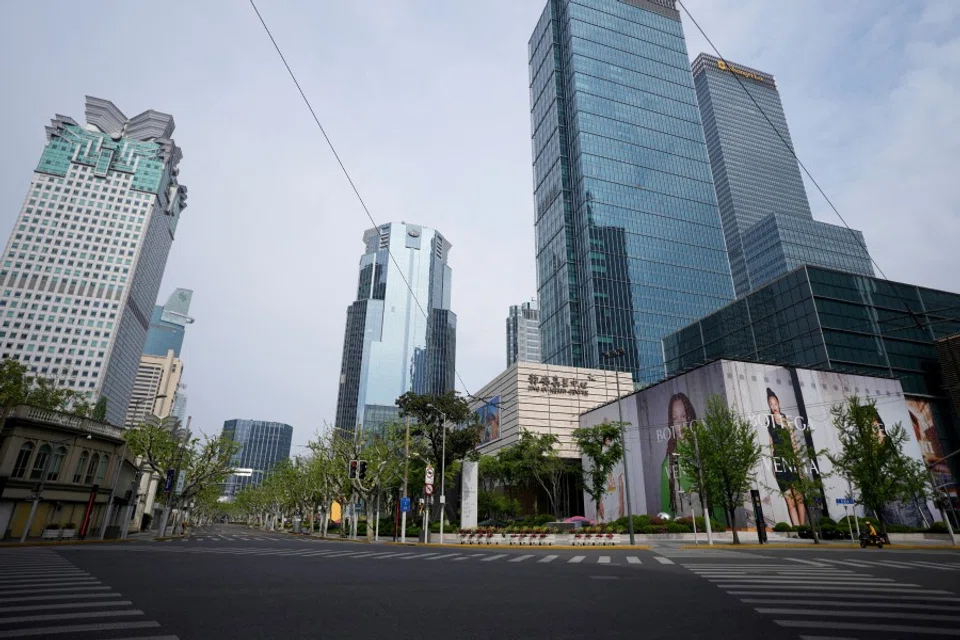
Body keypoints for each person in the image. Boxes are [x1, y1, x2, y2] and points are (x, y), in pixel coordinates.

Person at [766, 388, 807, 527]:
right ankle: (797, 529)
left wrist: (799, 465)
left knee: (799, 498)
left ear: (779, 403)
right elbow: (771, 444)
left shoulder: (787, 420)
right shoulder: (769, 421)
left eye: (775, 403)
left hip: (791, 460)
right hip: (779, 462)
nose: (773, 407)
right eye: (770, 404)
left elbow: (793, 442)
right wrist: (773, 466)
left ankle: (803, 527)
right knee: (789, 501)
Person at [660, 392, 696, 516]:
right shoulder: (667, 465)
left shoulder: (704, 455)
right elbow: (666, 510)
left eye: (684, 416)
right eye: (675, 418)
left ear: (690, 418)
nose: (680, 423)